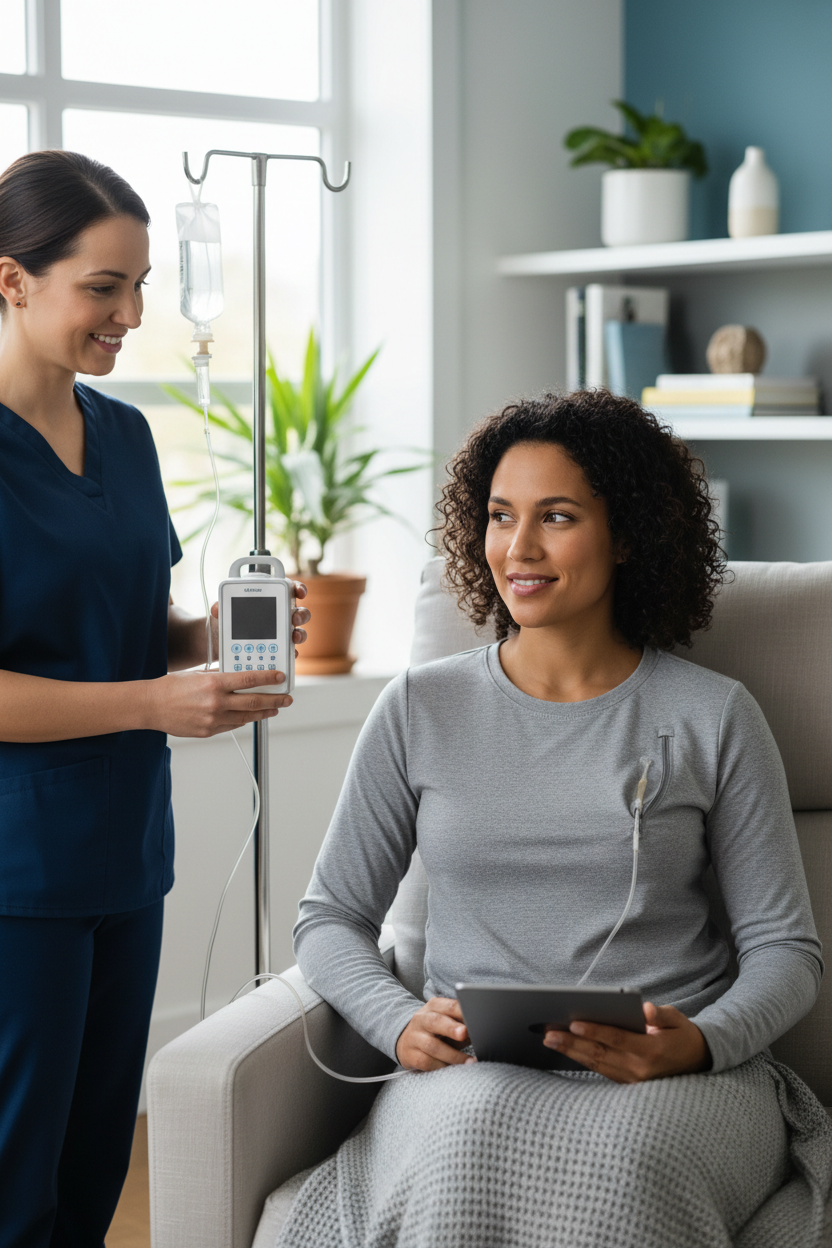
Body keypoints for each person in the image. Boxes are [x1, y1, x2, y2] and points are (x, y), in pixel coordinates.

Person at [279, 391, 832, 1247]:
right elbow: (330, 918)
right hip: (471, 1075)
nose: (519, 549)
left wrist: (700, 1043)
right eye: (500, 516)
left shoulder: (713, 715)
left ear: (628, 533)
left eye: (557, 517)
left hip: (671, 1079)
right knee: (464, 1145)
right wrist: (397, 1022)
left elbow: (787, 952)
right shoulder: (421, 707)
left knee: (624, 1172)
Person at [0, 150, 310, 1247]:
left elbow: (139, 624)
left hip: (128, 854)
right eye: (103, 288)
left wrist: (213, 641)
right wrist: (150, 701)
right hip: (17, 874)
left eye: (141, 287)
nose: (132, 314)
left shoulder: (125, 437)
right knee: (13, 1174)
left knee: (93, 1159)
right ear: (11, 281)